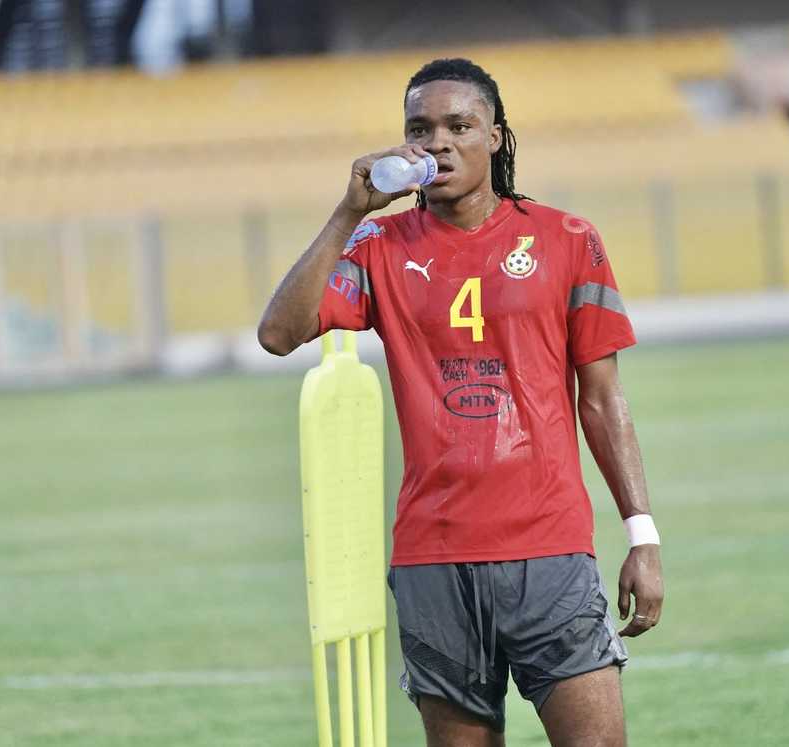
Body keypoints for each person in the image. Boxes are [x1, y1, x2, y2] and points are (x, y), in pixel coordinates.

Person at [258, 57, 663, 747]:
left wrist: (642, 536)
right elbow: (278, 333)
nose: (438, 143)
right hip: (433, 560)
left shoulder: (568, 239)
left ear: (495, 138)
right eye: (420, 129)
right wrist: (350, 210)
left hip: (550, 551)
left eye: (458, 126)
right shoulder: (378, 246)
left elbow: (602, 400)